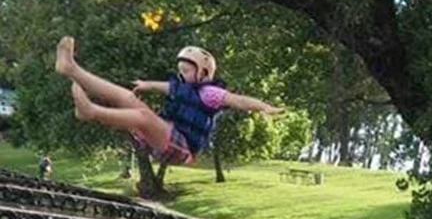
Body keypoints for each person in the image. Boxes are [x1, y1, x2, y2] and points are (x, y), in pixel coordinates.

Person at [55, 36, 283, 167]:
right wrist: (146, 85)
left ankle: (91, 112)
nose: (182, 75)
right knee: (126, 97)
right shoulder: (182, 86)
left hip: (182, 149)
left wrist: (264, 107)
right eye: (180, 70)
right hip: (167, 136)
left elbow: (240, 101)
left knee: (144, 117)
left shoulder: (210, 94)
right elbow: (164, 86)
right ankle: (71, 68)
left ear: (203, 72)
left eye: (186, 70)